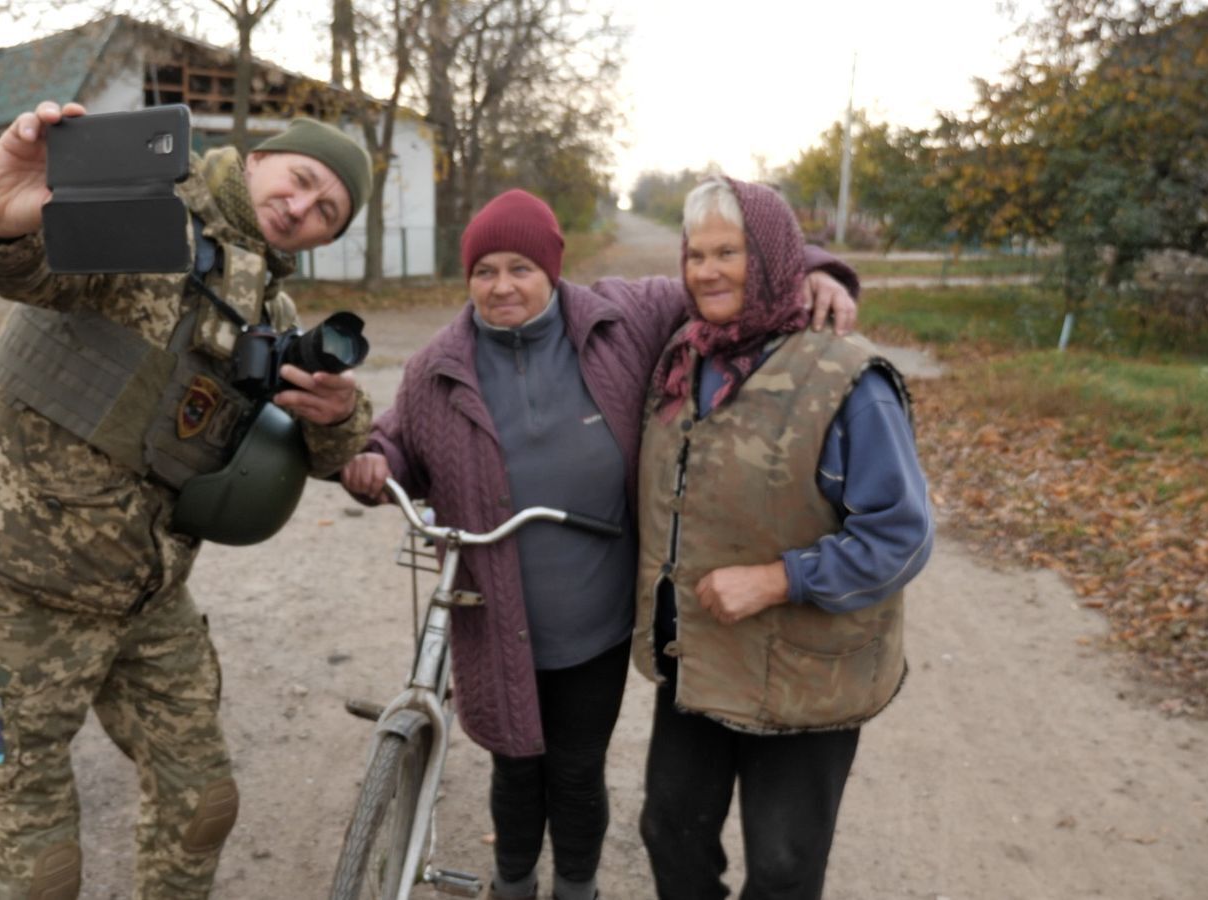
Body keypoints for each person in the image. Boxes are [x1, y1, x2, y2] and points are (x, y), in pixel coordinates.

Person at [339, 188, 859, 900]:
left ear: (552, 268)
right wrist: (375, 460)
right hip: (493, 617)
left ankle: (576, 890)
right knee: (516, 768)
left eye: (520, 267)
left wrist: (819, 268)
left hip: (596, 617)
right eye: (484, 270)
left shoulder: (623, 318)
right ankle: (512, 884)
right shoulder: (437, 366)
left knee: (577, 770)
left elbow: (728, 266)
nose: (502, 286)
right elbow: (398, 440)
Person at [0, 101, 375, 899]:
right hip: (21, 590)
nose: (302, 208)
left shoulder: (268, 311)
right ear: (262, 158)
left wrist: (343, 417)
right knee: (38, 867)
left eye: (327, 214)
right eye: (302, 181)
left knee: (203, 804)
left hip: (147, 597)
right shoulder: (152, 215)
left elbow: (322, 450)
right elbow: (17, 261)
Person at [632, 176, 933, 900]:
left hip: (806, 678)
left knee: (784, 870)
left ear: (769, 258)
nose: (707, 271)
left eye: (728, 251)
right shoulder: (684, 357)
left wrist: (778, 579)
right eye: (695, 254)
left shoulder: (847, 377)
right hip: (699, 659)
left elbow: (902, 535)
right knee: (669, 833)